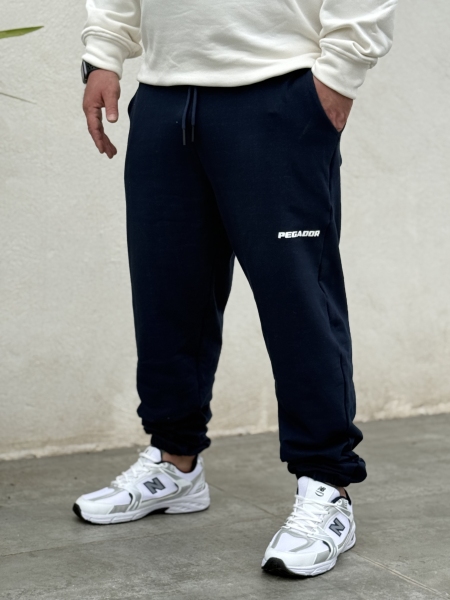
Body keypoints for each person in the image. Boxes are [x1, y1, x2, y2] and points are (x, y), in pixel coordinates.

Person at [74, 0, 397, 577]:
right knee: (167, 293)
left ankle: (327, 485)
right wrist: (103, 53)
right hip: (165, 96)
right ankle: (175, 462)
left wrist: (339, 76)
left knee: (298, 302)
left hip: (279, 95)